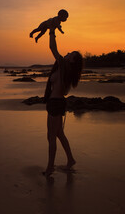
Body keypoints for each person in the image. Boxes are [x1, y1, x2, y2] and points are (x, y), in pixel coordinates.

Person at [43, 30, 83, 176]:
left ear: (71, 61)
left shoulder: (64, 67)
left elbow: (52, 48)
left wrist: (52, 32)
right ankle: (71, 159)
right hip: (56, 103)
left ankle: (50, 167)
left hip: (56, 104)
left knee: (51, 136)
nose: (66, 54)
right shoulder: (64, 68)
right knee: (58, 133)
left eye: (70, 55)